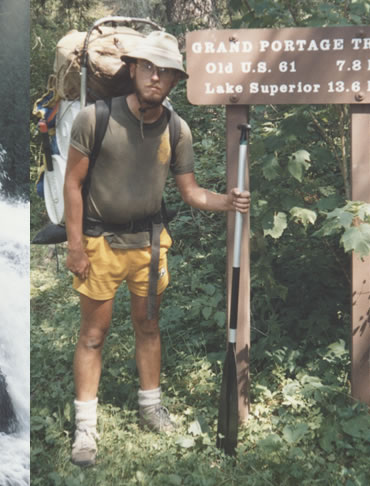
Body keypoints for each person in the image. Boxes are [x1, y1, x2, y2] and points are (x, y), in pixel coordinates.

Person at [63, 31, 251, 467]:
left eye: (166, 72)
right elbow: (72, 183)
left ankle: (151, 407)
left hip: (149, 244)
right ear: (133, 68)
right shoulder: (96, 119)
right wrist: (75, 245)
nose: (156, 77)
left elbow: (189, 191)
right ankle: (85, 428)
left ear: (174, 82)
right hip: (99, 243)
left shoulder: (176, 128)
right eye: (149, 67)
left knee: (148, 326)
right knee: (93, 334)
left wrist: (227, 201)